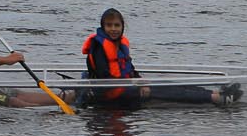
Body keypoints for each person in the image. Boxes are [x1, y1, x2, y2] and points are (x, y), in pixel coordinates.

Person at [81, 8, 231, 106]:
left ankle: (214, 92)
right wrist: (136, 85)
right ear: (103, 27)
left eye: (116, 25)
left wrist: (138, 79)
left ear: (122, 27)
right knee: (168, 92)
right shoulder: (99, 47)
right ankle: (215, 98)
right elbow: (104, 77)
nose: (113, 29)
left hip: (125, 87)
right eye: (109, 25)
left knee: (170, 84)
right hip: (111, 94)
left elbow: (129, 68)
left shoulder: (119, 44)